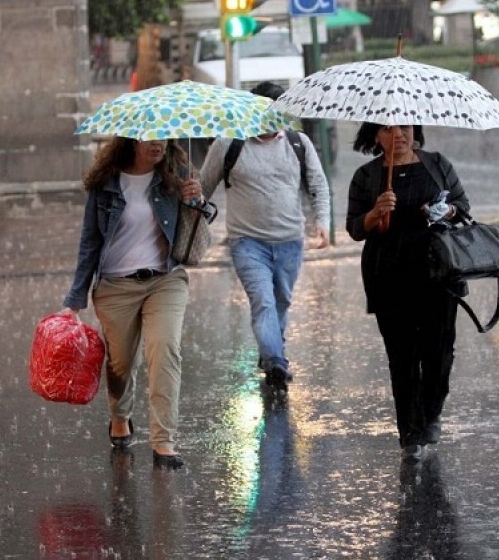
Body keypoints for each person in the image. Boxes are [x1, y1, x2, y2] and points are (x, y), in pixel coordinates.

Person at [62, 137, 207, 470]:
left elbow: (195, 230)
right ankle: (120, 415)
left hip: (165, 279)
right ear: (131, 141)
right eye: (149, 139)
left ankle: (164, 441)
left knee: (165, 350)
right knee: (121, 364)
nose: (158, 144)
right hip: (116, 286)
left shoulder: (176, 174)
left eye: (163, 138)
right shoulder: (107, 183)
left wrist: (196, 200)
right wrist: (75, 298)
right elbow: (90, 242)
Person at [346, 123, 470, 462]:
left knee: (439, 352)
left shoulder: (437, 163)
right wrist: (375, 213)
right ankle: (411, 433)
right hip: (389, 274)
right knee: (402, 356)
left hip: (438, 271)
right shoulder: (367, 176)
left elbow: (462, 205)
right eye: (388, 129)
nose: (398, 133)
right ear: (375, 137)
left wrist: (448, 210)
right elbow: (355, 228)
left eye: (405, 126)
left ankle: (431, 413)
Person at [200, 81, 331, 394]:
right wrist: (191, 212)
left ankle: (271, 353)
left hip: (290, 240)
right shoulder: (229, 144)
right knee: (263, 301)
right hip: (247, 242)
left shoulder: (299, 143)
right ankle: (275, 360)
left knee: (281, 302)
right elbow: (204, 187)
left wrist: (323, 222)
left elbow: (318, 185)